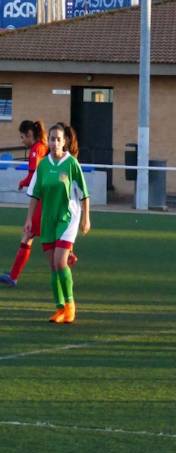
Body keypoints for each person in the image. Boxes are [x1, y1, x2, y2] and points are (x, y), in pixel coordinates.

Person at [23, 123, 90, 324]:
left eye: (58, 139)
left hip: (68, 218)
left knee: (60, 261)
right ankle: (59, 308)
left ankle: (70, 307)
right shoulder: (43, 165)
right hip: (48, 219)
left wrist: (86, 218)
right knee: (53, 266)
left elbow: (84, 194)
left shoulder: (71, 164)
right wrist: (29, 219)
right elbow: (35, 194)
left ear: (64, 142)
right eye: (52, 139)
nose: (54, 143)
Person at [0, 120, 48, 287]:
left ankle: (13, 277)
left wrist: (22, 182)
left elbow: (34, 176)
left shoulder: (36, 149)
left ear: (29, 134)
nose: (22, 141)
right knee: (32, 236)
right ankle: (13, 274)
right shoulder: (42, 147)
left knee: (28, 235)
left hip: (42, 200)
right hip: (45, 198)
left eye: (22, 137)